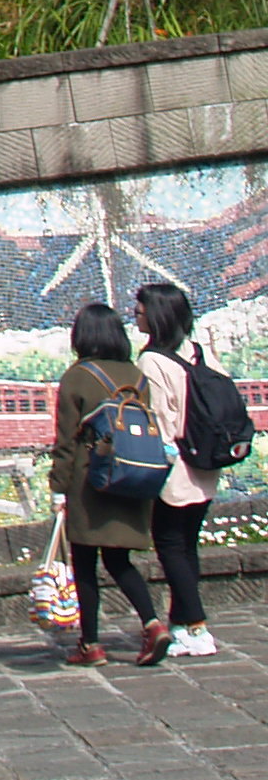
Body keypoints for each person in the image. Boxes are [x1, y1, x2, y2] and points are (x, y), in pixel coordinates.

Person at [56, 300, 168, 665]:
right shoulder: (136, 376)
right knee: (120, 561)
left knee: (85, 564)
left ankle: (91, 645)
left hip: (92, 481)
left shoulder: (77, 376)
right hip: (133, 476)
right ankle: (153, 626)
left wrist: (59, 483)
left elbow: (66, 441)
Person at [136, 281, 224, 659]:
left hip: (175, 470)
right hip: (206, 464)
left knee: (171, 547)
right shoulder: (200, 352)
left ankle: (199, 627)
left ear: (156, 315)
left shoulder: (152, 361)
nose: (135, 314)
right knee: (187, 548)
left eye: (140, 309)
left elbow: (159, 421)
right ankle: (180, 626)